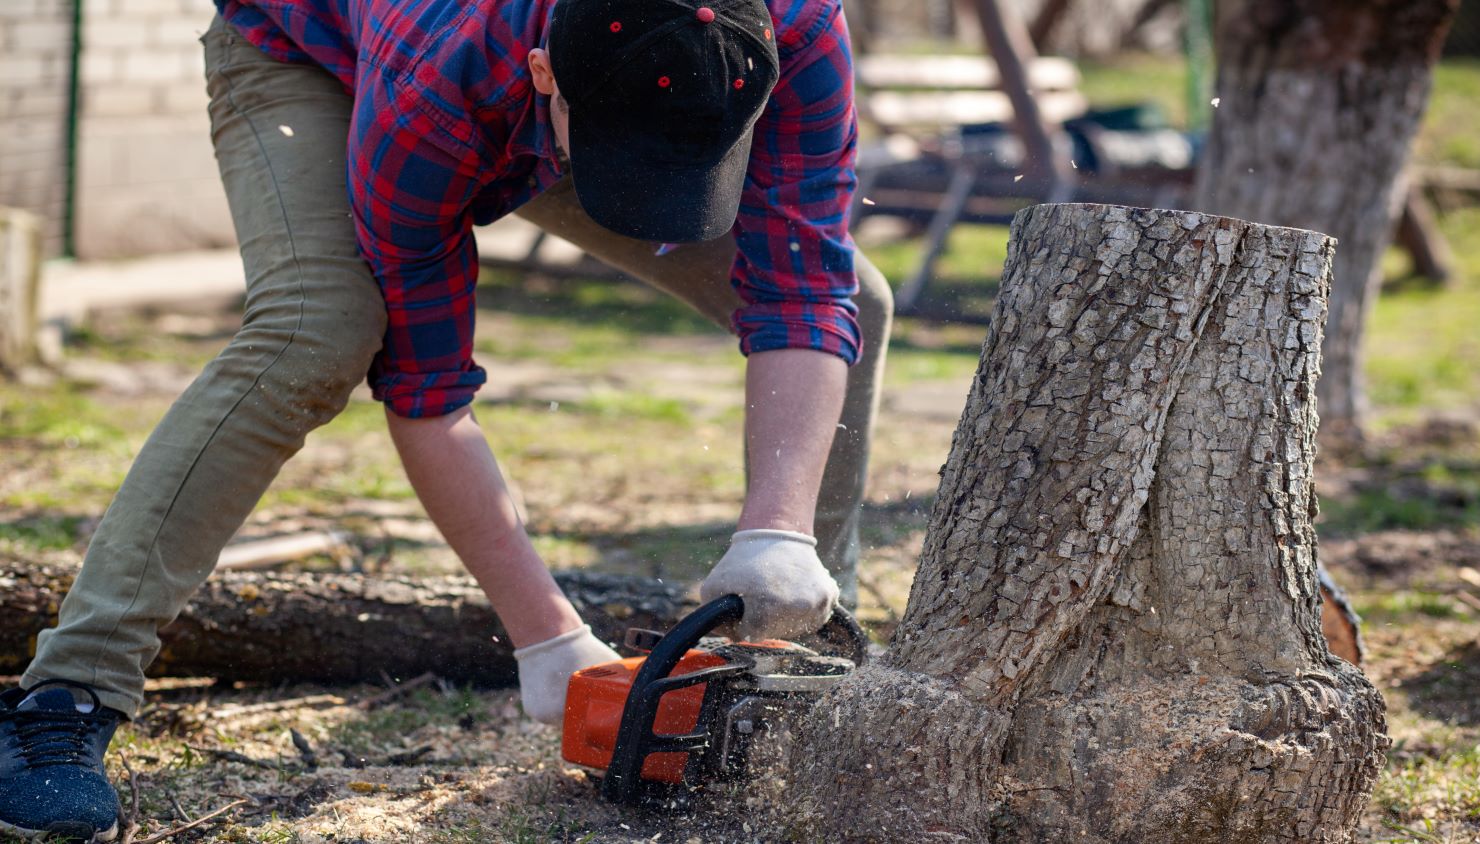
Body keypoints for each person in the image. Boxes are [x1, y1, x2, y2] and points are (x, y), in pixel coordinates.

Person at [0, 0, 891, 839]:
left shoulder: (799, 25)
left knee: (857, 296)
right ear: (548, 78)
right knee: (320, 329)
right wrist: (547, 637)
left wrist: (778, 535)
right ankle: (69, 693)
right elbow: (428, 393)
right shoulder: (437, 82)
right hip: (316, 56)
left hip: (543, 96)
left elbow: (804, 292)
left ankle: (797, 651)